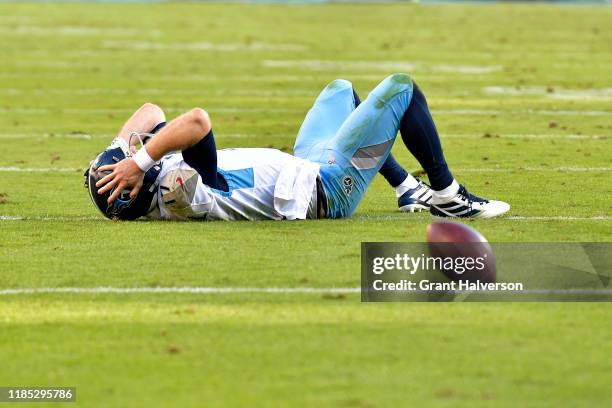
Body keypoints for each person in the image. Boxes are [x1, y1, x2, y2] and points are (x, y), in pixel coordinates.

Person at [85, 73, 509, 221]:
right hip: (328, 188)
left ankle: (404, 189)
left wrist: (124, 156)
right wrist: (138, 161)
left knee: (340, 91)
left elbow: (149, 110)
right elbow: (197, 120)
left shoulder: (150, 180)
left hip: (304, 167)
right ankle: (448, 196)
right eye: (125, 167)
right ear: (134, 192)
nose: (132, 155)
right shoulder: (176, 189)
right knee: (402, 88)